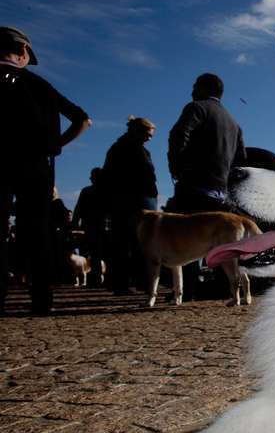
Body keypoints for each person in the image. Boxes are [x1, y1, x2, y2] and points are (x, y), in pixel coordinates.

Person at [0, 26, 91, 314]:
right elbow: (82, 119)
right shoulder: (40, 86)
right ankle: (41, 298)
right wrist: (56, 144)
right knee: (37, 230)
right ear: (23, 51)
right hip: (36, 163)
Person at [167, 73, 246, 300]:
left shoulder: (196, 108)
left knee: (186, 237)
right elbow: (241, 158)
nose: (192, 91)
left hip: (194, 184)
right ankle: (224, 288)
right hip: (221, 190)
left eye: (194, 87)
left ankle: (188, 290)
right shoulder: (233, 123)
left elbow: (178, 135)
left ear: (202, 88)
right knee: (219, 240)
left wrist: (177, 166)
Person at [101, 116, 158, 295]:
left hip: (136, 199)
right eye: (148, 134)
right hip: (129, 200)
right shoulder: (121, 149)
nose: (149, 138)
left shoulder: (132, 149)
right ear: (136, 131)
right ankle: (124, 282)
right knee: (127, 242)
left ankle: (135, 281)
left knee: (136, 242)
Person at [72, 168, 108, 287]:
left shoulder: (86, 191)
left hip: (91, 227)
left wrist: (74, 224)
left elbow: (78, 210)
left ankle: (95, 278)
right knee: (105, 254)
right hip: (104, 226)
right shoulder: (108, 192)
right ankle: (106, 278)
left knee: (94, 255)